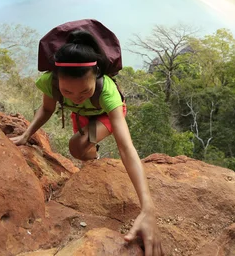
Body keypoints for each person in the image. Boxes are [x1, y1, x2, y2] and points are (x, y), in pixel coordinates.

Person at [11, 29, 163, 256]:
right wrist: (26, 134)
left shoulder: (107, 91)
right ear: (57, 79)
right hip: (82, 115)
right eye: (66, 91)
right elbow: (47, 108)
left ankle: (93, 155)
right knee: (83, 152)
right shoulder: (50, 82)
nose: (74, 96)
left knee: (77, 146)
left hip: (106, 115)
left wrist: (148, 208)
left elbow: (126, 147)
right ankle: (95, 160)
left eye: (85, 90)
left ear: (97, 76)